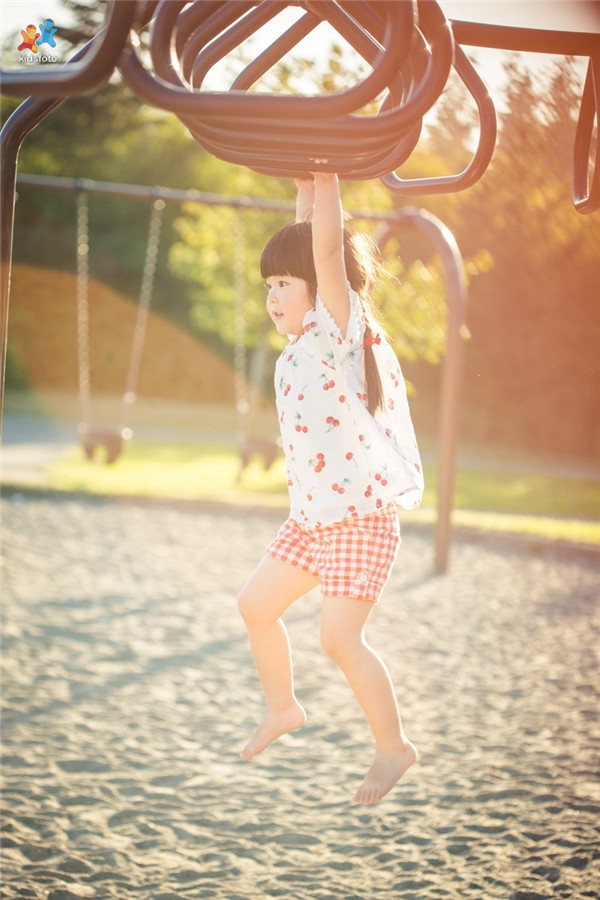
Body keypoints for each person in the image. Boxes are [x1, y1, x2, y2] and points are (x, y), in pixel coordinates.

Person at [238, 167, 424, 804]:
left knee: (338, 638)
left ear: (323, 291)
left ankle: (393, 747)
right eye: (269, 284)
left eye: (283, 284)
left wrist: (330, 176)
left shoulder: (337, 332)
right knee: (255, 607)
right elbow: (305, 242)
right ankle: (283, 706)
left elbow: (322, 251)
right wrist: (305, 187)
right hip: (313, 518)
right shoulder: (299, 345)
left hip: (361, 518)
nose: (273, 295)